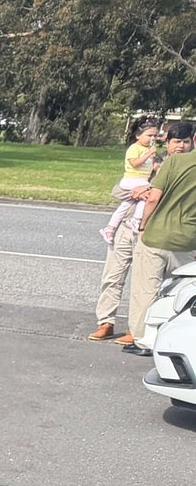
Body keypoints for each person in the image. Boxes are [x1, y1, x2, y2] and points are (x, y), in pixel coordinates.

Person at [127, 120, 196, 354]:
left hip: (157, 235)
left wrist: (143, 224)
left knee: (146, 289)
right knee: (180, 292)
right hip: (188, 239)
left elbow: (154, 197)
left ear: (194, 140)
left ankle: (144, 340)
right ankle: (176, 340)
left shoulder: (175, 162)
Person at [92, 116, 161, 341]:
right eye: (150, 135)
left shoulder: (164, 165)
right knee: (113, 276)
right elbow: (119, 190)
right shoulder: (137, 154)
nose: (153, 140)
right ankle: (105, 321)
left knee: (142, 284)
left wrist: (148, 190)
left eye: (156, 136)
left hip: (147, 230)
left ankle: (136, 328)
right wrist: (138, 191)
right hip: (125, 227)